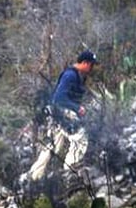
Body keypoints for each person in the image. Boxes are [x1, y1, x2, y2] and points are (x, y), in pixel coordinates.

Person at [26, 50, 98, 192]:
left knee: (52, 147)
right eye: (91, 65)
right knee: (80, 141)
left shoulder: (74, 75)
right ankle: (70, 177)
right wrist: (77, 108)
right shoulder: (70, 75)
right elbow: (59, 98)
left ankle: (33, 178)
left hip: (56, 115)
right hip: (63, 114)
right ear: (84, 63)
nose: (92, 68)